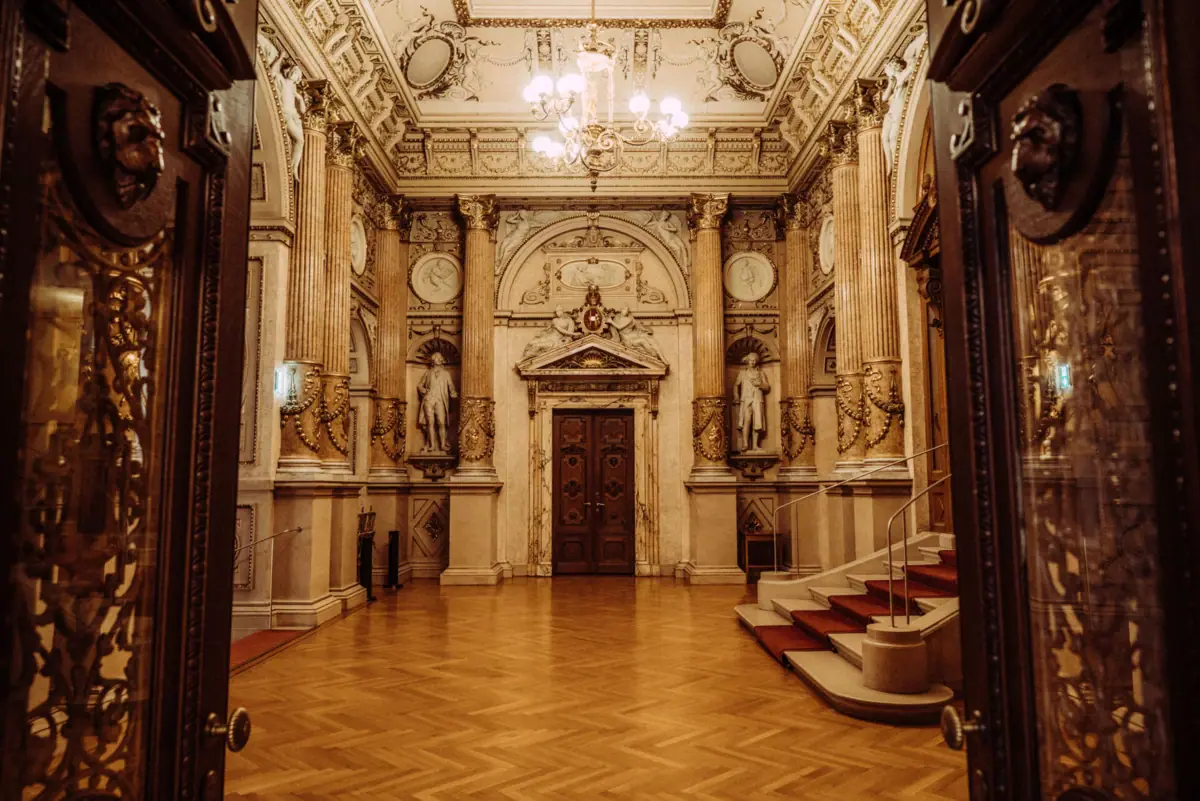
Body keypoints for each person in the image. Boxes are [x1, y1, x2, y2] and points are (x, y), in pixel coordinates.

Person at [417, 352, 457, 453]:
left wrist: (453, 393)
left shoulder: (446, 374)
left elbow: (451, 387)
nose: (437, 359)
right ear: (432, 360)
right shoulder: (427, 373)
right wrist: (422, 390)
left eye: (439, 357)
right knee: (430, 423)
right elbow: (420, 385)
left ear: (442, 360)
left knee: (441, 422)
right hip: (429, 399)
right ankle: (431, 446)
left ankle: (443, 445)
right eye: (435, 357)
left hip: (440, 400)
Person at [734, 352, 770, 452]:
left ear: (757, 361)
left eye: (754, 360)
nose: (753, 362)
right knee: (747, 420)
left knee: (757, 421)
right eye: (751, 360)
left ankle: (755, 445)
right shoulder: (743, 373)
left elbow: (767, 387)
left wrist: (760, 384)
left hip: (757, 399)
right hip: (746, 399)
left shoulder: (761, 373)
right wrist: (736, 395)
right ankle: (745, 444)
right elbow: (736, 385)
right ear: (748, 361)